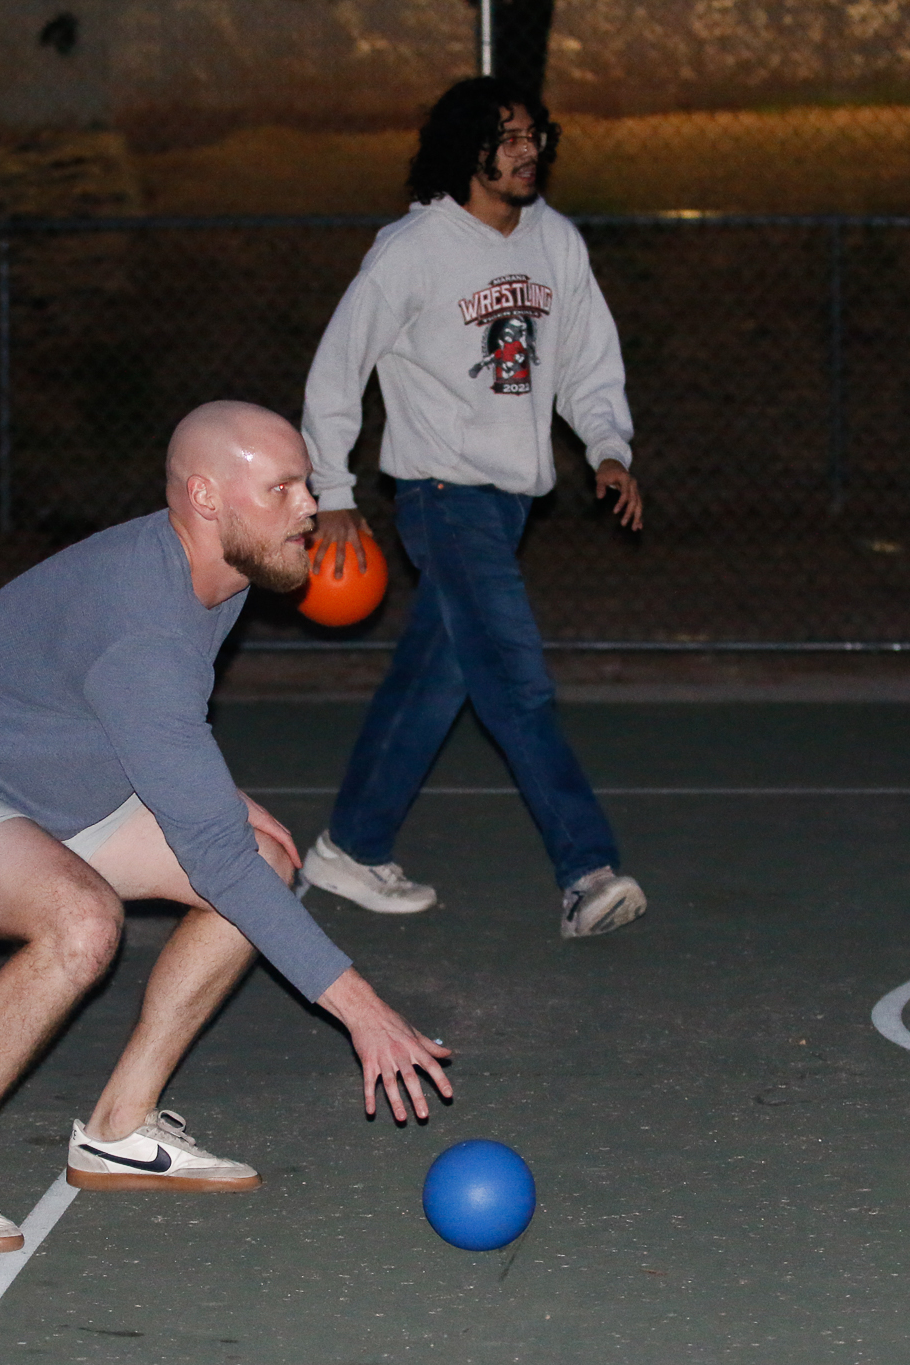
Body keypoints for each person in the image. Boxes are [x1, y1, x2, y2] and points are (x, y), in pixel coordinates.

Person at [0, 400, 452, 1255]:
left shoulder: (218, 572)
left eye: (306, 483)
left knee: (264, 861)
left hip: (46, 781)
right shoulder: (147, 620)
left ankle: (120, 1125)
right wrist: (363, 1011)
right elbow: (154, 703)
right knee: (83, 920)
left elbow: (157, 725)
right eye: (283, 488)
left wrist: (220, 797)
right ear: (206, 497)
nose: (310, 505)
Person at [296, 76, 648, 939]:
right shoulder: (415, 248)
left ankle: (351, 844)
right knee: (514, 680)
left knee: (437, 676)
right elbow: (336, 371)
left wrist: (608, 447)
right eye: (508, 136)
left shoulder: (555, 241)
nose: (528, 150)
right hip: (442, 493)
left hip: (511, 502)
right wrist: (333, 493)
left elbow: (587, 362)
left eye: (535, 134)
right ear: (468, 150)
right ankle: (586, 869)